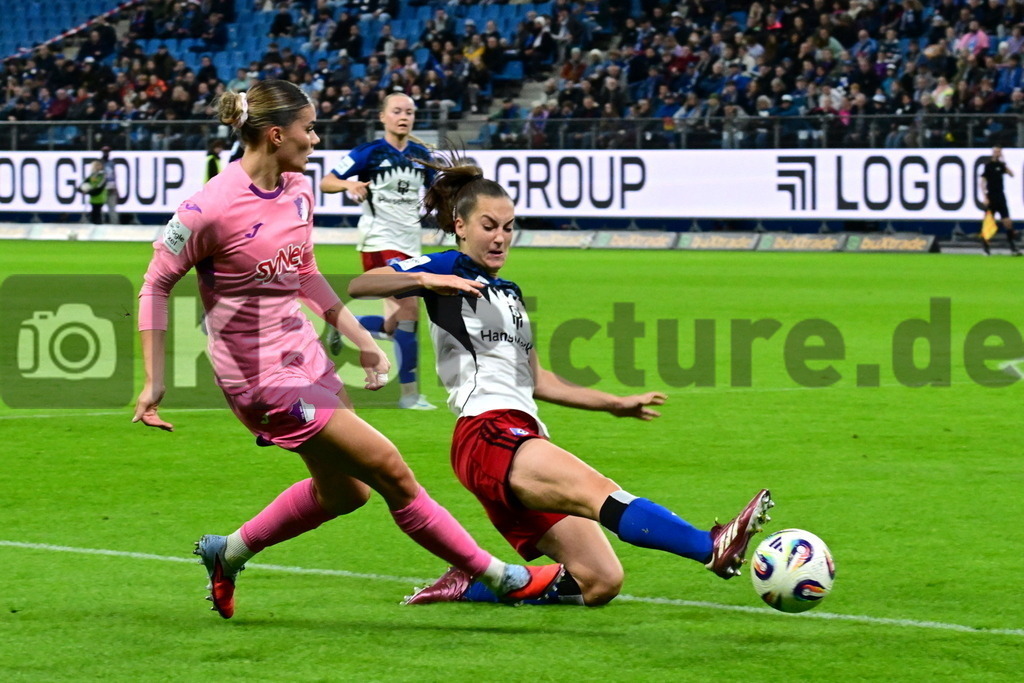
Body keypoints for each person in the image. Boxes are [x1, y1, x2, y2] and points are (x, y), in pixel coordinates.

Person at [132, 80, 563, 619]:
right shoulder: (208, 208)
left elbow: (304, 274)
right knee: (391, 470)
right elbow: (155, 284)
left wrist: (361, 341)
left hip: (304, 354)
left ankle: (230, 551)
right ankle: (502, 577)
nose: (314, 140)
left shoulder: (299, 188)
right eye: (308, 129)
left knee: (347, 493)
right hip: (259, 378)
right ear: (274, 134)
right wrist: (154, 380)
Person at [348, 158, 774, 607]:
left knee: (601, 581)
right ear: (460, 225)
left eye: (509, 227)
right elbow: (360, 284)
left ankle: (474, 582)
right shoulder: (445, 267)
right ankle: (710, 547)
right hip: (487, 432)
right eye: (489, 225)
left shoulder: (509, 294)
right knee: (599, 493)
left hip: (519, 432)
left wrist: (614, 403)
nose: (500, 238)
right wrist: (427, 279)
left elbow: (539, 380)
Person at [319, 92, 437, 410]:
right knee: (411, 313)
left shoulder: (421, 154)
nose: (404, 116)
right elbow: (326, 181)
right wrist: (349, 185)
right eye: (397, 111)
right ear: (382, 116)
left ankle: (347, 324)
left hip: (411, 245)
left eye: (409, 112)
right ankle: (410, 395)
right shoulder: (368, 153)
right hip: (379, 242)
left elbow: (438, 190)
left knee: (396, 325)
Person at [981, 146, 1021, 256]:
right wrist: (985, 197)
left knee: (1008, 222)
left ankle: (1012, 247)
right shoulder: (988, 166)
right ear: (992, 153)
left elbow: (1011, 174)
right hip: (991, 196)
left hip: (1000, 196)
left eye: (999, 152)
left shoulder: (1001, 166)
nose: (997, 153)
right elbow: (982, 182)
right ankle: (986, 247)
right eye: (995, 151)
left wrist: (1004, 162)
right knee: (988, 222)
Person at [77, 160, 107, 225]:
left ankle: (98, 225)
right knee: (94, 213)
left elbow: (99, 188)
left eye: (97, 166)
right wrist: (81, 190)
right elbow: (81, 185)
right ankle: (95, 226)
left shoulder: (103, 176)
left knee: (97, 213)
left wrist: (88, 192)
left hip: (100, 197)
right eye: (94, 166)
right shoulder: (92, 176)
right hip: (93, 198)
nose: (95, 167)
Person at [100, 146, 119, 224]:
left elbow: (113, 177)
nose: (106, 153)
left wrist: (116, 189)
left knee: (112, 209)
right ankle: (100, 224)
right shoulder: (99, 163)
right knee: (100, 209)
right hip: (101, 189)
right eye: (105, 152)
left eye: (107, 152)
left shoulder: (111, 163)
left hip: (111, 188)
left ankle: (114, 226)